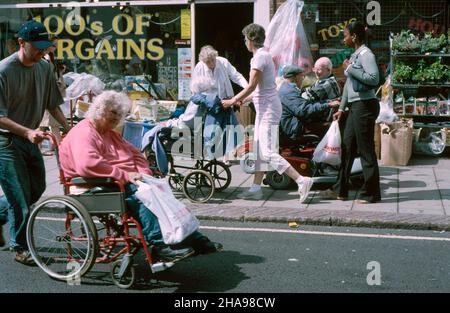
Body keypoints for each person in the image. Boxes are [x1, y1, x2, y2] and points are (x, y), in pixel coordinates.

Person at [58, 90, 223, 262]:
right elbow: (87, 164)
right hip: (93, 184)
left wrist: (143, 173)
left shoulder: (110, 133)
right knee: (143, 197)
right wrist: (124, 175)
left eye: (120, 114)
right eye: (113, 113)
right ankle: (158, 246)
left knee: (163, 194)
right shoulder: (84, 132)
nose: (117, 118)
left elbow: (136, 154)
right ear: (99, 109)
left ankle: (191, 237)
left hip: (120, 180)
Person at [0, 20, 70, 264]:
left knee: (36, 189)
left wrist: (68, 128)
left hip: (30, 138)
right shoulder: (3, 71)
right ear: (21, 43)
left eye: (45, 46)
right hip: (6, 142)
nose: (43, 51)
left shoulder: (43, 67)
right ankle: (19, 247)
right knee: (19, 197)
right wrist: (27, 132)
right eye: (37, 46)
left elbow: (52, 102)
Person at [222, 23, 313, 203]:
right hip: (265, 108)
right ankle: (256, 189)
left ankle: (302, 180)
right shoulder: (261, 56)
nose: (244, 42)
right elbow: (260, 90)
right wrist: (244, 100)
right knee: (258, 149)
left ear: (250, 40)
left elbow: (252, 86)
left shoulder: (259, 58)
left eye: (245, 38)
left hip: (269, 110)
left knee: (269, 151)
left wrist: (233, 100)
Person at [325, 21, 381, 204]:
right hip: (355, 107)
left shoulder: (366, 54)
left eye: (345, 35)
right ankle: (340, 190)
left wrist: (350, 69)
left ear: (354, 37)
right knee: (347, 147)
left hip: (365, 106)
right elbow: (349, 85)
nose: (344, 39)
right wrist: (342, 108)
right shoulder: (355, 55)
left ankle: (371, 193)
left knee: (365, 150)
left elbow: (374, 79)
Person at [193, 45, 248, 164]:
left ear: (215, 57)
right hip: (210, 103)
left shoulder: (223, 62)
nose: (211, 63)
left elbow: (236, 76)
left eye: (212, 60)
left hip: (226, 100)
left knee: (230, 128)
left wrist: (247, 87)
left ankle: (226, 155)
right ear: (203, 61)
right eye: (207, 62)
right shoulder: (199, 67)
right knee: (212, 129)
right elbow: (195, 87)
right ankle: (209, 153)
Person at [279, 64, 340, 142]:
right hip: (294, 129)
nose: (303, 79)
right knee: (330, 126)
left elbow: (306, 104)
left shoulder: (286, 88)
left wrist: (329, 102)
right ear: (296, 77)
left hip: (294, 124)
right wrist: (327, 105)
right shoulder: (289, 92)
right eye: (302, 76)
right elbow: (303, 110)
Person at [39, 35, 67, 156]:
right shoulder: (45, 58)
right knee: (46, 123)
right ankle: (60, 147)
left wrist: (60, 71)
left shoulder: (49, 57)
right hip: (48, 93)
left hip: (49, 93)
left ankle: (59, 147)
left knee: (48, 123)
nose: (55, 48)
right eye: (53, 45)